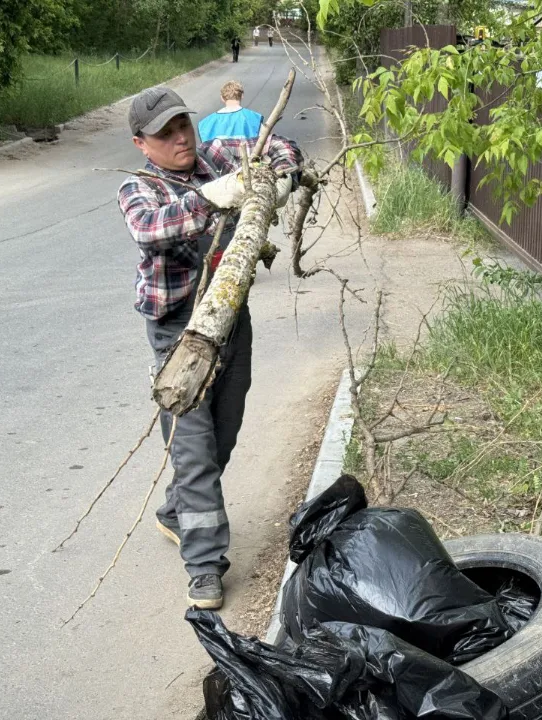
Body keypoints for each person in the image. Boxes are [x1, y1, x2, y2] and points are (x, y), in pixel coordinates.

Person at [117, 86, 301, 609]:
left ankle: (176, 510)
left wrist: (274, 178)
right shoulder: (138, 187)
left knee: (223, 434)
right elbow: (150, 229)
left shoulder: (215, 157)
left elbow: (280, 147)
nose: (180, 139)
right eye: (165, 134)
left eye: (183, 126)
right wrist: (210, 198)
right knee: (193, 450)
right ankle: (204, 564)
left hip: (229, 315)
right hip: (178, 327)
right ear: (141, 143)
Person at [198, 80, 264, 143]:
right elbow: (263, 141)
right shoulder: (254, 118)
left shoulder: (205, 123)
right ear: (242, 95)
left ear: (222, 98)